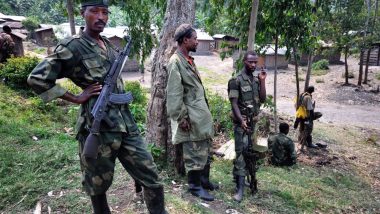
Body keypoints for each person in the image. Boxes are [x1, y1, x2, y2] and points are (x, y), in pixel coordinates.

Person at [27, 1, 167, 213]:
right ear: (83, 13)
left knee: (151, 176)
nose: (101, 17)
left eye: (105, 12)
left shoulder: (108, 44)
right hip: (98, 125)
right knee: (97, 185)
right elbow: (37, 78)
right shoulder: (72, 47)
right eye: (94, 11)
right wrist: (75, 97)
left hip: (126, 123)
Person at [166, 24, 218, 202]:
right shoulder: (176, 62)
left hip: (199, 117)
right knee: (194, 153)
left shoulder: (188, 59)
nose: (197, 41)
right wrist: (181, 118)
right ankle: (195, 187)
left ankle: (204, 181)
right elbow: (174, 94)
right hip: (190, 118)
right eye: (194, 38)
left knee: (203, 149)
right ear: (185, 40)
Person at [227, 51, 266, 202]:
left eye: (255, 62)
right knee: (241, 153)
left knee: (250, 153)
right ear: (244, 62)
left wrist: (262, 81)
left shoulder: (256, 80)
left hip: (253, 124)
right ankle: (240, 189)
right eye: (250, 62)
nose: (254, 65)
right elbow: (234, 103)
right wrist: (241, 121)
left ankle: (246, 181)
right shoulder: (235, 80)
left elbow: (262, 98)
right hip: (241, 125)